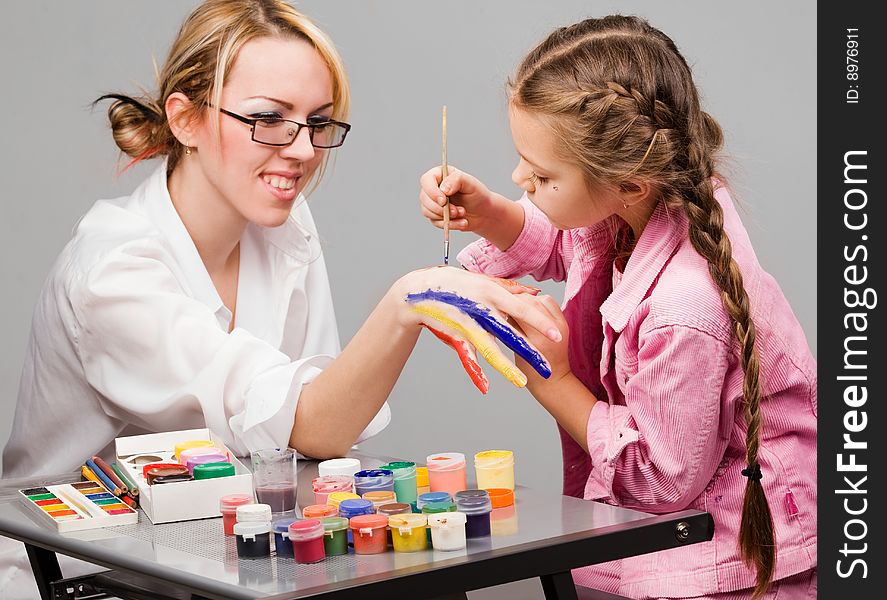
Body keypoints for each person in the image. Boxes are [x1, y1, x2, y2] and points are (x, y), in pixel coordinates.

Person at [0, 1, 559, 596]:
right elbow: (308, 425)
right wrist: (412, 300)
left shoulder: (283, 224)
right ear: (185, 120)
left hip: (230, 558)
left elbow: (321, 440)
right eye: (268, 118)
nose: (301, 150)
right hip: (86, 575)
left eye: (318, 122)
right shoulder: (113, 271)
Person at [419, 15, 816, 600]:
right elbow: (569, 237)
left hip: (732, 566)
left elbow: (663, 480)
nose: (517, 177)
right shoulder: (639, 202)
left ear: (629, 181)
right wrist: (494, 215)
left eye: (542, 174)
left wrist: (550, 377)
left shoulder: (686, 306)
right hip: (693, 535)